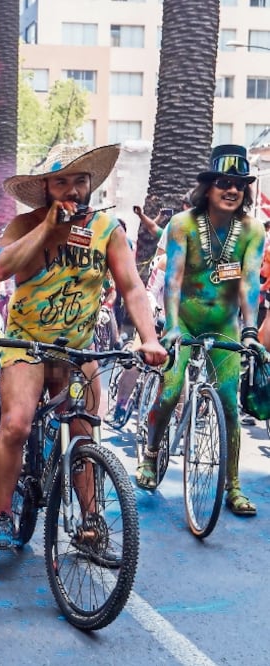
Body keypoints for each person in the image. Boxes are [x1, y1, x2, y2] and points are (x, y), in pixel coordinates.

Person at [0, 144, 166, 549]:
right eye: (61, 180)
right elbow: (0, 268)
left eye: (79, 180)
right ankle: (1, 514)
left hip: (79, 349)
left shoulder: (107, 229)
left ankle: (90, 518)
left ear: (90, 184)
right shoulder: (23, 224)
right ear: (47, 187)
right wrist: (49, 226)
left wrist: (149, 337)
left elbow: (132, 287)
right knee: (16, 425)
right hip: (26, 345)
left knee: (83, 434)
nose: (72, 189)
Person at [137, 145, 266, 516]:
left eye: (239, 185)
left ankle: (234, 486)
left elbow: (250, 284)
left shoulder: (252, 230)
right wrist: (173, 326)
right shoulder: (182, 224)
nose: (232, 190)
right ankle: (150, 455)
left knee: (228, 404)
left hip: (225, 327)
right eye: (224, 182)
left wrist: (251, 331)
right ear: (207, 187)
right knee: (171, 390)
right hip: (185, 323)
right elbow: (173, 280)